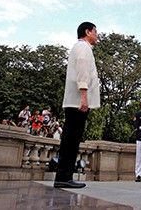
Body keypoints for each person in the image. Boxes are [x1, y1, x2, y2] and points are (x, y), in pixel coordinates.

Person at [54, 22, 100, 189]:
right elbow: (82, 73)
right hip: (77, 102)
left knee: (70, 139)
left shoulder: (81, 47)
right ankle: (64, 176)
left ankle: (64, 176)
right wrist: (84, 97)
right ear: (87, 32)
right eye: (95, 31)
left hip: (75, 101)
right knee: (71, 140)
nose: (97, 35)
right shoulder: (83, 48)